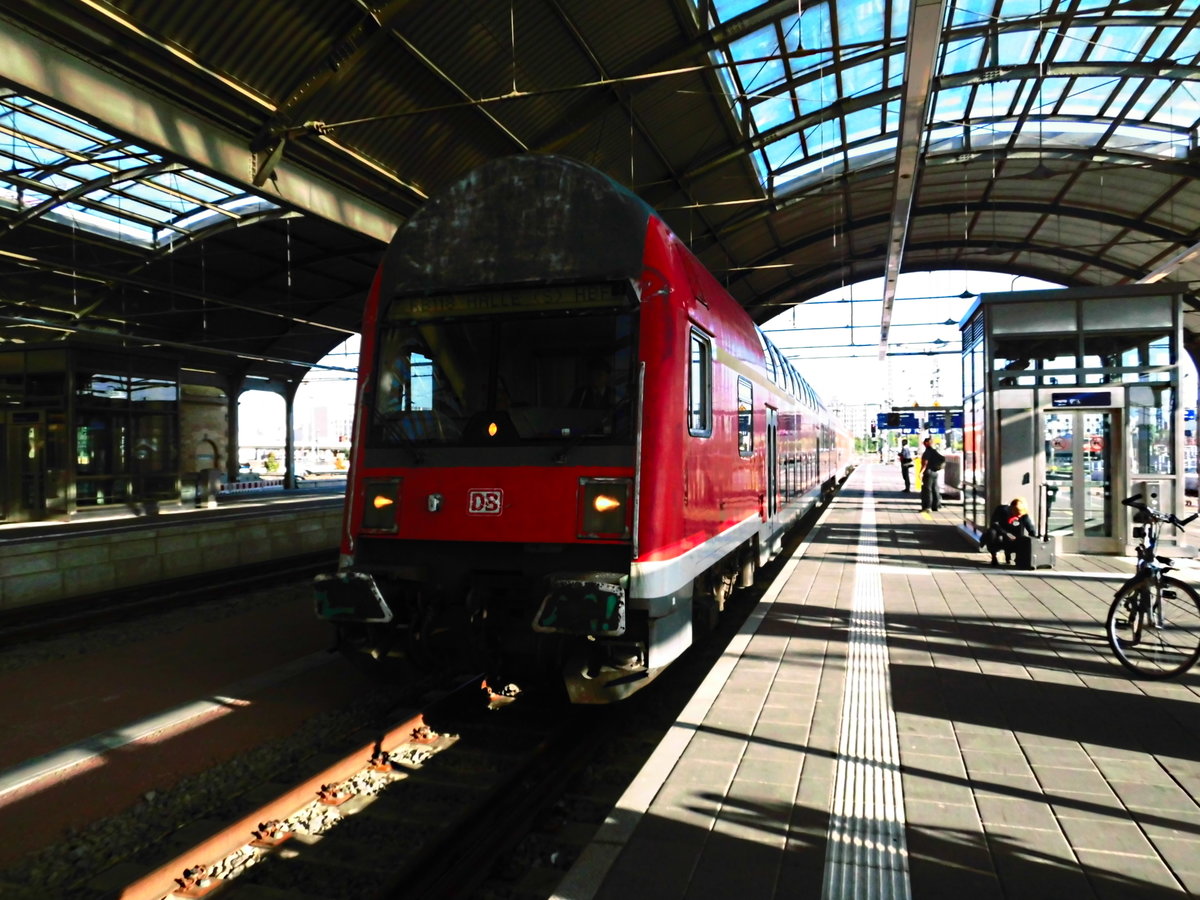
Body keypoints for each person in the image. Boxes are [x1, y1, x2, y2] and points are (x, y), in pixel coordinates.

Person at [985, 497, 1037, 566]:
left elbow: (1031, 529)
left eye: (1020, 515)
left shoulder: (1023, 516)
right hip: (1001, 533)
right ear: (1012, 509)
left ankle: (1015, 556)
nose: (1018, 516)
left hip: (1016, 536)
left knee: (1024, 539)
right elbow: (994, 524)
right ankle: (994, 555)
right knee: (991, 533)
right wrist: (1006, 533)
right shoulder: (1001, 510)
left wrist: (1035, 540)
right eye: (1017, 513)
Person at [919, 437, 945, 512]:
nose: (923, 443)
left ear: (927, 443)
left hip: (928, 472)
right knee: (935, 489)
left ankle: (927, 507)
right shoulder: (934, 451)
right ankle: (936, 506)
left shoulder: (927, 452)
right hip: (935, 472)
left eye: (924, 442)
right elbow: (943, 459)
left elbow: (925, 464)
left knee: (927, 490)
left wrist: (920, 473)